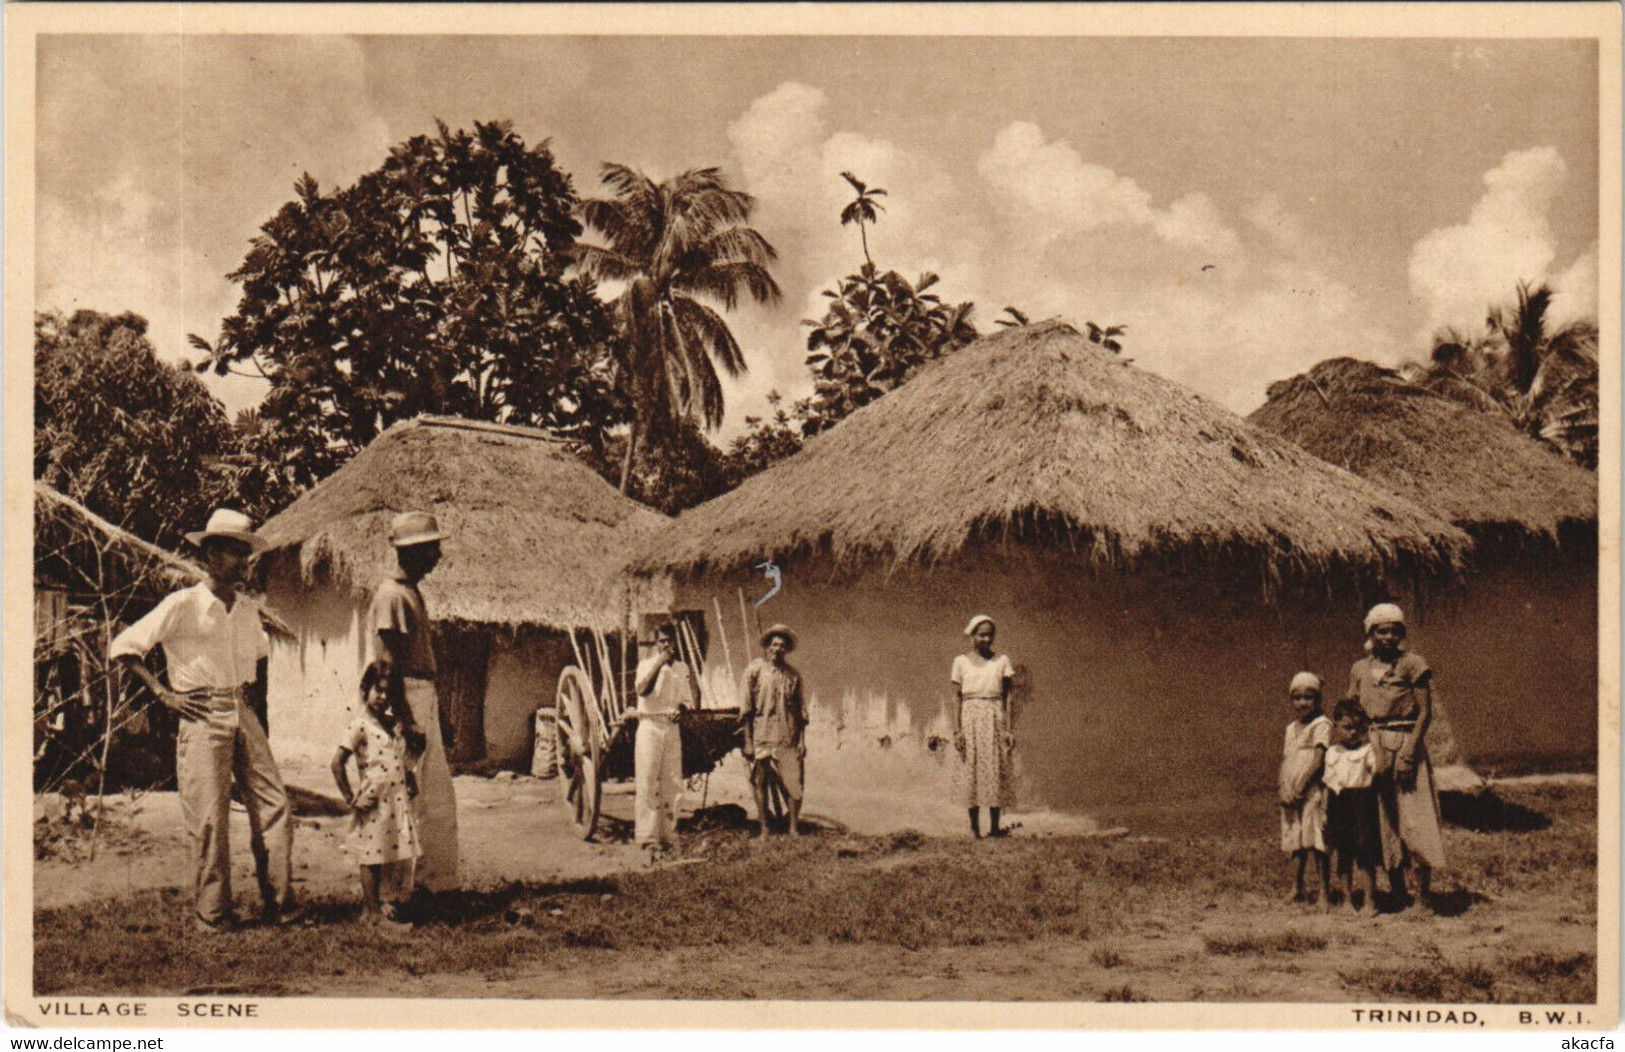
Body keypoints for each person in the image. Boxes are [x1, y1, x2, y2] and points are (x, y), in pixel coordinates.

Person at [110, 508, 303, 933]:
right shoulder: (183, 604)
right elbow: (125, 647)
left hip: (242, 711)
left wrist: (252, 718)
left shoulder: (248, 609)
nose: (242, 562)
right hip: (201, 715)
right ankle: (213, 915)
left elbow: (256, 662)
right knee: (210, 818)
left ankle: (282, 906)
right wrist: (164, 694)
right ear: (211, 555)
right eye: (234, 552)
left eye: (245, 553)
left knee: (275, 807)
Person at [369, 511, 458, 893]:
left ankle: (432, 886)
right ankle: (394, 894)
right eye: (432, 548)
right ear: (413, 551)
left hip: (422, 698)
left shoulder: (411, 594)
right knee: (401, 801)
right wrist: (406, 722)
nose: (438, 555)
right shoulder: (391, 597)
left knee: (435, 800)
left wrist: (435, 716)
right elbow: (387, 669)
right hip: (404, 701)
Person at [1345, 602, 1445, 911]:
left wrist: (1408, 752)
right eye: (1381, 631)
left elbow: (1425, 711)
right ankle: (1398, 892)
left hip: (1405, 741)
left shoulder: (1412, 664)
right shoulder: (1360, 669)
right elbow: (1351, 710)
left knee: (1415, 818)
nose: (1388, 637)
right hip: (1373, 745)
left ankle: (1423, 897)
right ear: (1371, 633)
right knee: (1382, 820)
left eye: (1394, 631)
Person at [331, 662, 420, 931]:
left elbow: (394, 756)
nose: (383, 697)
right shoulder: (359, 726)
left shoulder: (389, 724)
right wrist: (351, 798)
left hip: (392, 799)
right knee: (371, 857)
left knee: (382, 852)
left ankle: (375, 904)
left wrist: (410, 776)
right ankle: (373, 915)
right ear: (364, 690)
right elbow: (337, 764)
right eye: (378, 691)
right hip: (374, 800)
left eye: (389, 693)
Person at [633, 622, 695, 863]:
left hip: (671, 727)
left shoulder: (683, 667)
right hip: (649, 725)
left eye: (669, 640)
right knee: (648, 779)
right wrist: (659, 663)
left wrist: (681, 710)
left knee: (672, 781)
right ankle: (647, 837)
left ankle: (669, 834)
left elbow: (687, 700)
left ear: (675, 641)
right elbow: (641, 690)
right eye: (661, 641)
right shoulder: (646, 665)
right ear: (656, 643)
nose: (666, 645)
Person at [951, 615, 1016, 838]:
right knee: (972, 770)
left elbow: (1008, 696)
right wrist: (957, 730)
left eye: (990, 634)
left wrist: (1008, 727)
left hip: (994, 716)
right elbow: (956, 698)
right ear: (972, 636)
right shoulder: (961, 661)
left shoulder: (1002, 661)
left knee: (994, 769)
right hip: (970, 716)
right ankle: (974, 828)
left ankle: (995, 827)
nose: (986, 639)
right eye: (981, 634)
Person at [740, 624, 807, 837]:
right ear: (767, 647)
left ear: (786, 649)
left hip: (788, 736)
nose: (777, 649)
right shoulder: (754, 671)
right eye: (774, 645)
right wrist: (748, 741)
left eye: (782, 645)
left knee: (793, 784)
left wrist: (802, 741)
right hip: (762, 735)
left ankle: (793, 828)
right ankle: (764, 828)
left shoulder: (793, 676)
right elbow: (746, 711)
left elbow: (801, 712)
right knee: (760, 781)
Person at [1324, 698, 1383, 917]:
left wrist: (1374, 740)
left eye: (1357, 728)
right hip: (1338, 803)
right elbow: (1327, 784)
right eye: (1347, 728)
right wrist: (1323, 811)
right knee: (1343, 853)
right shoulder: (1332, 753)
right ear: (1336, 726)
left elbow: (1379, 770)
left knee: (1364, 852)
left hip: (1361, 802)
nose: (1352, 733)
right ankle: (1347, 900)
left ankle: (1370, 900)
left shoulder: (1367, 750)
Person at [1279, 671, 1332, 911]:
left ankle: (1323, 892)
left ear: (1318, 699)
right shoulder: (1291, 728)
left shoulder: (1322, 725)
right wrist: (1284, 787)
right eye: (1297, 698)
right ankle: (1296, 888)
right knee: (1295, 840)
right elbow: (1286, 759)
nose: (1302, 703)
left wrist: (1303, 786)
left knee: (1316, 841)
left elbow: (1319, 759)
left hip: (1311, 791)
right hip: (1292, 792)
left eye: (1308, 697)